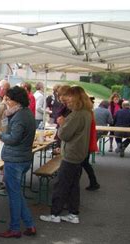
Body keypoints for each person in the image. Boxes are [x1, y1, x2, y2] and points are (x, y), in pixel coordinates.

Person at [40, 86, 92, 224]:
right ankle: (73, 213)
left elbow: (64, 134)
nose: (66, 101)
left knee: (61, 185)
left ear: (76, 98)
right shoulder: (87, 113)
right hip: (79, 153)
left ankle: (55, 214)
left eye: (69, 98)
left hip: (71, 153)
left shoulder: (76, 115)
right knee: (73, 185)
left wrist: (62, 124)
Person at [0, 86, 36, 238]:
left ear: (16, 101)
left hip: (15, 159)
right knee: (17, 193)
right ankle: (29, 224)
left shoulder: (20, 116)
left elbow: (13, 138)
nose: (6, 102)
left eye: (8, 100)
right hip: (22, 157)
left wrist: (1, 136)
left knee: (14, 195)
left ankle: (14, 228)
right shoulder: (26, 113)